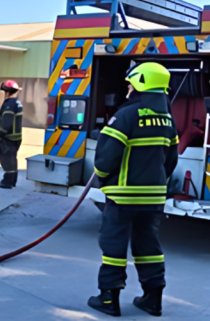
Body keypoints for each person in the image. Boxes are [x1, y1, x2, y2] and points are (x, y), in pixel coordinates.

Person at [87, 62, 178, 317]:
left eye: (130, 84)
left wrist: (102, 179)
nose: (127, 89)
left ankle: (108, 298)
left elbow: (105, 159)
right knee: (148, 243)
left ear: (140, 83)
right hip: (154, 196)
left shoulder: (126, 115)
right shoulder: (167, 119)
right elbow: (171, 160)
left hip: (124, 195)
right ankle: (153, 298)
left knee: (114, 244)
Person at [0, 80, 23, 189]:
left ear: (6, 92)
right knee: (12, 159)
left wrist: (1, 135)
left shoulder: (9, 104)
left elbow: (7, 121)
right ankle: (12, 181)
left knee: (7, 159)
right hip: (16, 137)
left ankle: (7, 181)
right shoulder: (17, 102)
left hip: (9, 137)